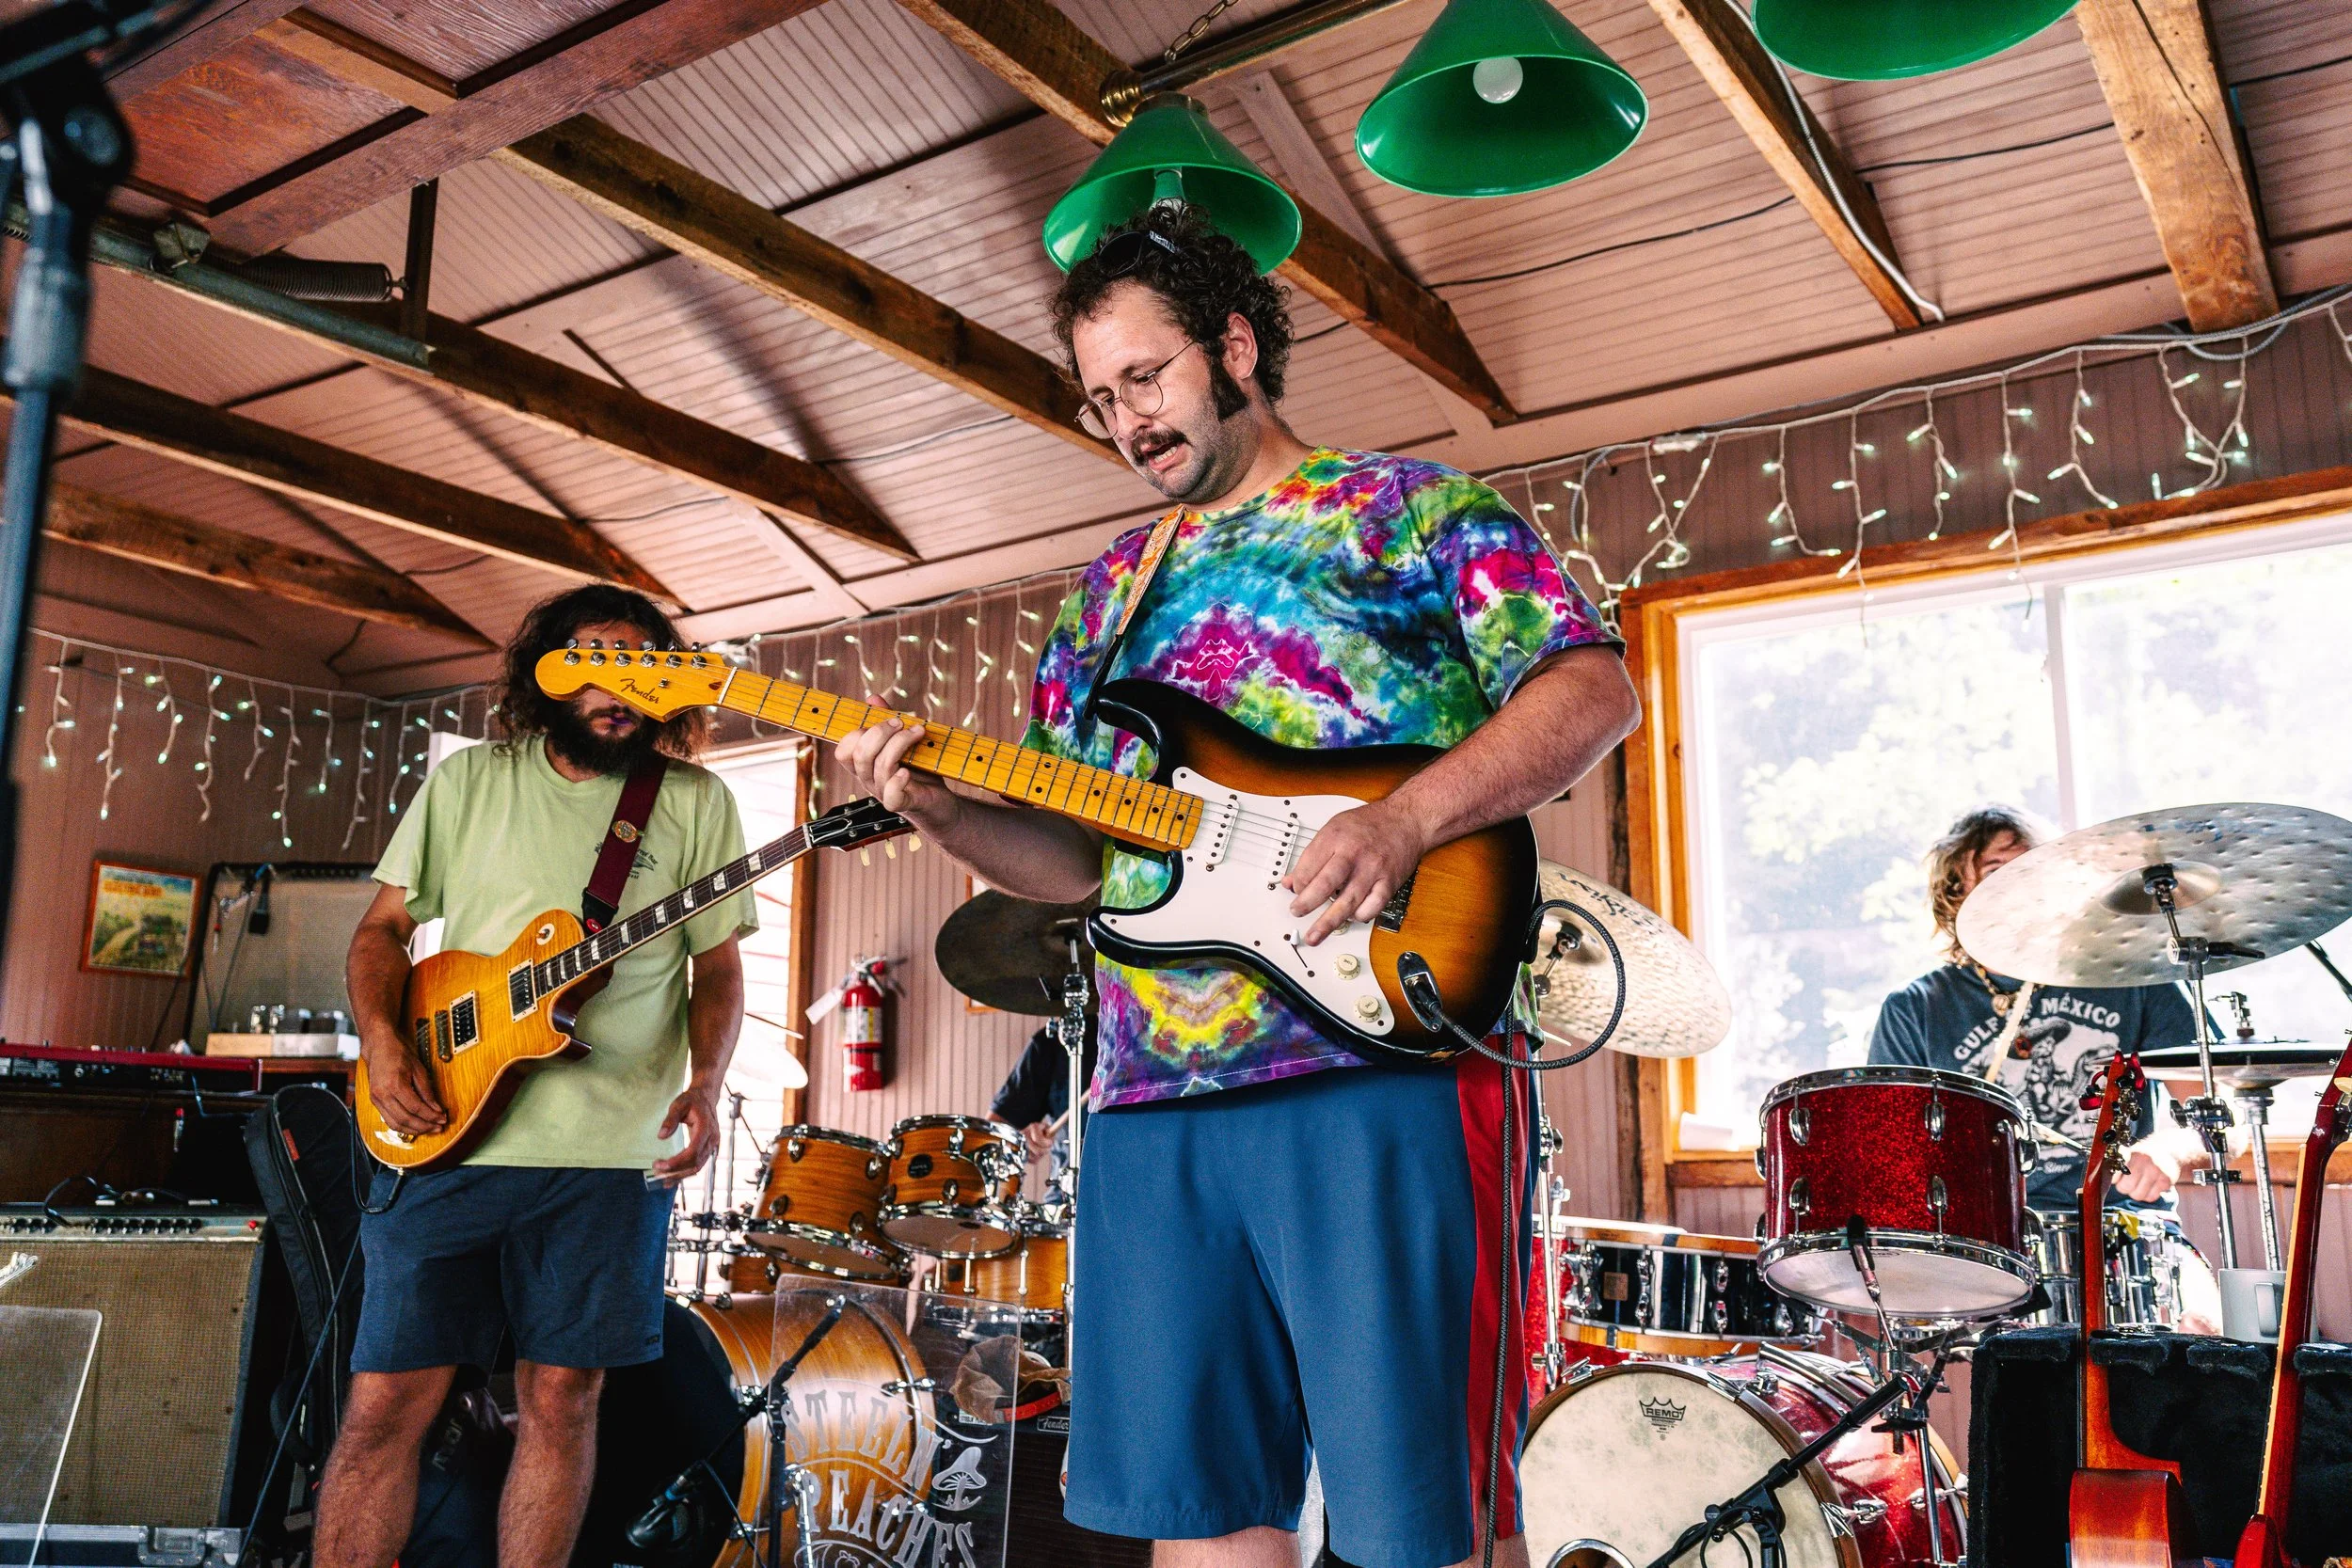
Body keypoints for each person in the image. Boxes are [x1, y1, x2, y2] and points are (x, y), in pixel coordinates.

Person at [839, 204, 1639, 1568]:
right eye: (1099, 399)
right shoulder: (1105, 595)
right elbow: (1078, 859)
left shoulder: (1409, 510)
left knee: (1424, 1523)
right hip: (1151, 1100)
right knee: (1202, 1520)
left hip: (1381, 1056)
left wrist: (1405, 818)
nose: (1127, 420)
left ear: (1234, 346)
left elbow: (1592, 688)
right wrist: (946, 812)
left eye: (1145, 377)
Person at [319, 586, 755, 1568]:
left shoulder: (695, 802)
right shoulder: (470, 780)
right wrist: (382, 1041)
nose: (619, 688)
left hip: (612, 1155)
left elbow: (717, 967)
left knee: (563, 1399)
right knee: (387, 1402)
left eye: (643, 666)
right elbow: (382, 930)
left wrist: (705, 1083)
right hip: (446, 1132)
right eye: (596, 661)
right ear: (547, 671)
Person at [1867, 806, 2221, 1330]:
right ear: (1956, 894)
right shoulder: (1915, 1009)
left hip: (2130, 1232)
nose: (2021, 884)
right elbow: (1891, 1155)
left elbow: (2223, 1120)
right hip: (1992, 1248)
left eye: (2033, 868)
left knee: (2206, 1331)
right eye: (1997, 871)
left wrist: (2168, 1149)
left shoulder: (2132, 980)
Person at [990, 1016, 1095, 1206]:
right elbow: (994, 1136)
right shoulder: (1062, 1036)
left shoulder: (1151, 1036)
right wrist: (1022, 1141)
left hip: (1145, 1200)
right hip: (1068, 1202)